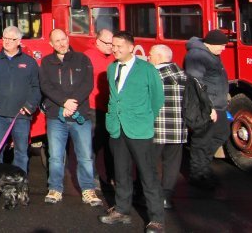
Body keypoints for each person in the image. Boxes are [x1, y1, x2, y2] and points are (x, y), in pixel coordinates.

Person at [99, 31, 165, 233]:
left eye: (119, 46)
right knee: (121, 172)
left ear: (130, 47)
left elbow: (157, 98)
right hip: (117, 128)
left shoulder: (147, 69)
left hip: (139, 129)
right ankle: (122, 210)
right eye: (113, 45)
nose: (114, 49)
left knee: (148, 175)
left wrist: (144, 118)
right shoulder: (112, 68)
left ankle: (156, 219)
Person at [39, 29, 102, 206]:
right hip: (55, 117)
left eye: (63, 39)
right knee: (56, 156)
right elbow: (46, 86)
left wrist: (72, 103)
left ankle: (88, 190)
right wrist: (64, 102)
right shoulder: (46, 62)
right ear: (51, 44)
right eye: (57, 41)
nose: (61, 43)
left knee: (85, 156)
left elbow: (87, 84)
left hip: (80, 115)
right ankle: (55, 189)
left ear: (68, 39)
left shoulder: (82, 59)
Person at [0, 25, 41, 172]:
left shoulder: (30, 62)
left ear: (18, 41)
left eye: (11, 39)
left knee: (21, 153)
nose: (7, 41)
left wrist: (30, 106)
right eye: (4, 38)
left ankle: (19, 183)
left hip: (21, 116)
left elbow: (36, 88)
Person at [184, 29, 230, 190]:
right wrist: (208, 108)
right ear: (211, 44)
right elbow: (196, 83)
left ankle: (204, 166)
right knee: (202, 140)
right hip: (207, 106)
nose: (223, 49)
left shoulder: (212, 54)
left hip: (219, 105)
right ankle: (198, 175)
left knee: (222, 133)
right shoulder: (196, 56)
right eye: (221, 45)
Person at [148, 44, 187, 209]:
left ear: (158, 57)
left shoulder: (153, 76)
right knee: (171, 164)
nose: (148, 58)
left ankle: (150, 195)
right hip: (178, 128)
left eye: (150, 55)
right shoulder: (184, 75)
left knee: (149, 163)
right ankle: (166, 197)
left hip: (156, 127)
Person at [82, 27, 115, 190]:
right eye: (107, 43)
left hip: (111, 108)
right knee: (92, 146)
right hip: (93, 108)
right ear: (97, 41)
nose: (110, 46)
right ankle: (93, 178)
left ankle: (112, 177)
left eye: (112, 43)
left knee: (111, 146)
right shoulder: (88, 57)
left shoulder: (114, 57)